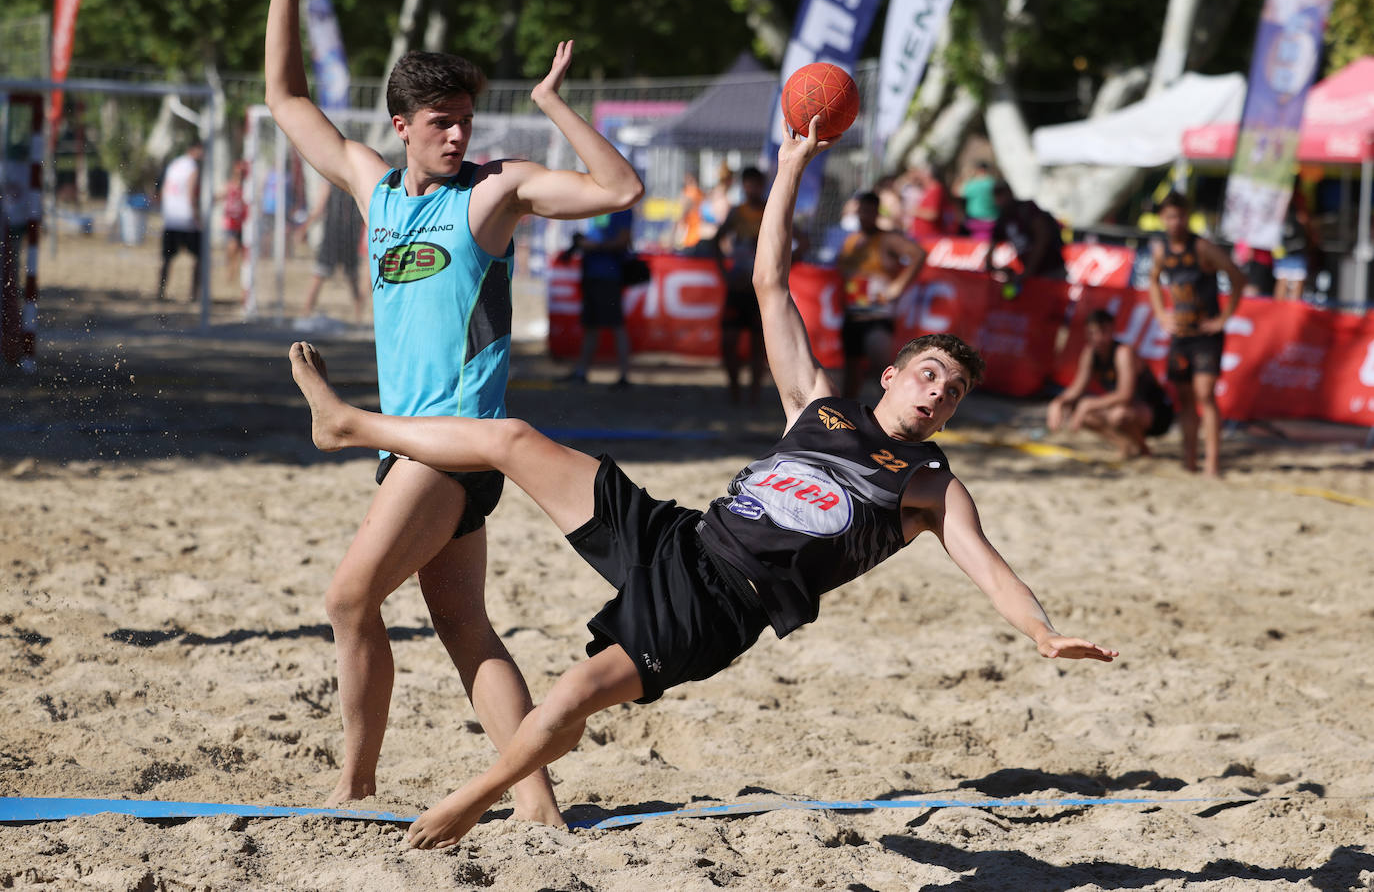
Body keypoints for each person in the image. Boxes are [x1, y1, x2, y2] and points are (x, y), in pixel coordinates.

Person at [286, 116, 1118, 851]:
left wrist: (1040, 631)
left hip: (720, 607)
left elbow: (986, 563)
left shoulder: (930, 484)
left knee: (575, 693)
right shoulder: (818, 405)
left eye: (954, 393)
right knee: (507, 437)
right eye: (931, 375)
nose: (939, 395)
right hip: (678, 535)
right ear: (895, 374)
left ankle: (477, 799)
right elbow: (769, 281)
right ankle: (350, 424)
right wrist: (791, 169)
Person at [266, 0, 643, 817]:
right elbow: (285, 99)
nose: (456, 133)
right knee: (466, 629)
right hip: (417, 450)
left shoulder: (494, 189)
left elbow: (620, 191)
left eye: (465, 119)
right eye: (440, 121)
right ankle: (539, 809)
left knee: (350, 598)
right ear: (401, 126)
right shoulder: (375, 186)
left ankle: (354, 789)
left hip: (455, 450)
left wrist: (555, 107)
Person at [1147, 191, 1246, 478]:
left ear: (1187, 217)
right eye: (1169, 216)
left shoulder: (1202, 248)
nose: (1175, 222)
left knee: (1206, 394)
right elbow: (1154, 281)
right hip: (1181, 334)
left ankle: (1212, 463)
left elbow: (1236, 276)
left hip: (1205, 333)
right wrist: (1161, 313)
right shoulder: (1161, 251)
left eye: (1179, 216)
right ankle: (1189, 461)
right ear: (1162, 219)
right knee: (1185, 399)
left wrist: (1224, 318)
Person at [1047, 309, 1173, 459]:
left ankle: (1144, 450)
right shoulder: (1090, 353)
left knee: (1117, 414)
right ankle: (1125, 445)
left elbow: (1125, 395)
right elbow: (1076, 388)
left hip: (1156, 412)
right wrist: (1057, 403)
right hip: (1130, 408)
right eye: (1092, 333)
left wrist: (1088, 404)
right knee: (1082, 412)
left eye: (1102, 332)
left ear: (1112, 330)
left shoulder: (1122, 352)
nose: (1097, 338)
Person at [836, 191, 927, 398]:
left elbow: (918, 254)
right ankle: (847, 419)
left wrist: (899, 285)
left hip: (877, 316)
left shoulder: (887, 239)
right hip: (853, 314)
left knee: (883, 371)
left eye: (869, 211)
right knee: (851, 372)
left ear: (877, 212)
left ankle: (889, 418)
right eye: (861, 212)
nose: (864, 216)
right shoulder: (852, 241)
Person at [712, 165, 767, 403]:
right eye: (748, 184)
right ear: (743, 186)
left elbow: (800, 240)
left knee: (759, 346)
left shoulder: (770, 210)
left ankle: (753, 396)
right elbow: (715, 241)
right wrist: (724, 273)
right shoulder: (737, 212)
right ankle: (734, 393)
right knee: (728, 343)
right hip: (737, 288)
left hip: (761, 291)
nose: (751, 189)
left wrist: (783, 266)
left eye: (756, 184)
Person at [561, 208, 633, 387]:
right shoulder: (599, 206)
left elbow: (624, 241)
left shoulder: (622, 207)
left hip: (608, 275)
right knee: (590, 325)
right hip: (592, 273)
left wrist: (593, 246)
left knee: (616, 325)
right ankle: (582, 371)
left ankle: (624, 375)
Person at [299, 180, 367, 325]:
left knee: (349, 278)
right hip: (337, 236)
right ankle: (306, 312)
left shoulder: (338, 182)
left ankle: (358, 317)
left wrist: (304, 229)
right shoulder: (348, 182)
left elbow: (319, 209)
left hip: (341, 237)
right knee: (323, 276)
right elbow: (320, 209)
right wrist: (305, 228)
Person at [983, 182, 1065, 283]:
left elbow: (1042, 237)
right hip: (1031, 272)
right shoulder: (1003, 219)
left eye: (1002, 194)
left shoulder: (1026, 209)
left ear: (1010, 193)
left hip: (1051, 268)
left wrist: (1029, 269)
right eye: (997, 195)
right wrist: (991, 266)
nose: (1000, 199)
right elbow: (993, 244)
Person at [156, 139, 203, 302]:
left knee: (167, 259)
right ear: (195, 149)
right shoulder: (192, 167)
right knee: (199, 258)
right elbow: (191, 193)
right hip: (187, 219)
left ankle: (160, 292)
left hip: (171, 218)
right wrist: (197, 216)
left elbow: (162, 189)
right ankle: (193, 294)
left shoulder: (174, 164)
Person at [219, 159, 248, 292]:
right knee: (232, 248)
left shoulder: (247, 188)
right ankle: (230, 272)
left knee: (241, 251)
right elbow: (222, 196)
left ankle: (235, 273)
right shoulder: (230, 185)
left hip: (243, 223)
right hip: (231, 221)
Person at [958, 161, 998, 240]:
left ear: (979, 170)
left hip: (975, 220)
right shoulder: (994, 183)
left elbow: (957, 192)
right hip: (993, 219)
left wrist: (965, 177)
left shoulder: (972, 184)